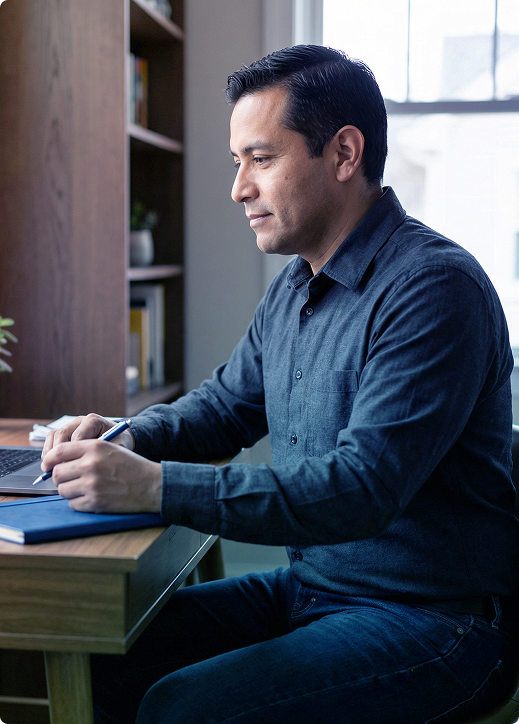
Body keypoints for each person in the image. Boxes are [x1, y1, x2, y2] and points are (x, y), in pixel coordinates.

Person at [42, 45, 519, 724]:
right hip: (314, 589)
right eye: (239, 162)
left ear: (343, 154)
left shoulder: (433, 289)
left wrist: (153, 486)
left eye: (260, 159)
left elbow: (361, 490)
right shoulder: (296, 285)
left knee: (181, 710)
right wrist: (121, 437)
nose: (238, 187)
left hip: (438, 622)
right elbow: (222, 411)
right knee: (95, 651)